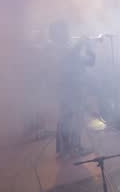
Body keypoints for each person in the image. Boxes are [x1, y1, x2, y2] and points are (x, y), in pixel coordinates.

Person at [47, 20, 96, 158]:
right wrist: (80, 43)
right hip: (67, 89)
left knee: (76, 118)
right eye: (64, 31)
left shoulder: (68, 47)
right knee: (68, 119)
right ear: (57, 33)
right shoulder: (54, 48)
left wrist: (89, 47)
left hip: (77, 87)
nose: (67, 33)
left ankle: (71, 148)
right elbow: (67, 58)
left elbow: (90, 62)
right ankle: (70, 149)